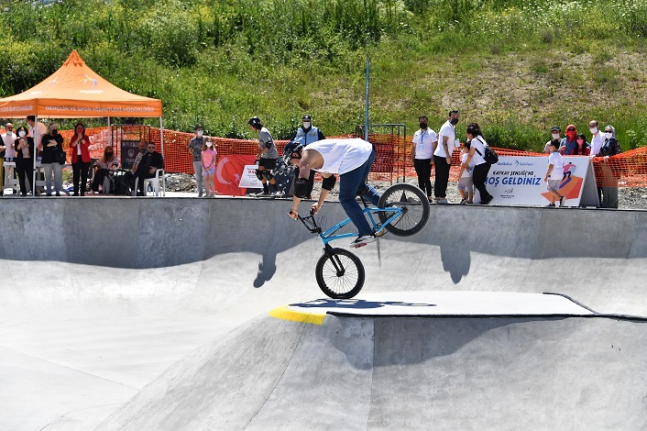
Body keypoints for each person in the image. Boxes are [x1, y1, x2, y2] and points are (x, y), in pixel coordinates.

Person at [283, 138, 382, 248]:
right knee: (359, 188)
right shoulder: (315, 157)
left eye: (292, 162)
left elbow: (301, 185)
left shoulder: (305, 157)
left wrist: (295, 209)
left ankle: (366, 232)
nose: (294, 166)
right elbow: (329, 181)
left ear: (296, 154)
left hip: (354, 155)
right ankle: (387, 207)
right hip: (366, 150)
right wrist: (319, 204)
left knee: (346, 198)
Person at [292, 114, 326, 198]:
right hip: (299, 158)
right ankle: (298, 194)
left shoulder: (316, 131)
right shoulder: (298, 131)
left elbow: (324, 143)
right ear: (302, 122)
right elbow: (291, 143)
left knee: (310, 177)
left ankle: (307, 194)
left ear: (311, 122)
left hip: (312, 158)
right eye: (304, 121)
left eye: (308, 121)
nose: (306, 123)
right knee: (298, 176)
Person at [248, 116, 280, 196]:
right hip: (265, 155)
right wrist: (261, 154)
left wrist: (260, 153)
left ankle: (277, 191)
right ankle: (266, 191)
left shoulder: (263, 132)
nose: (250, 127)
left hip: (271, 155)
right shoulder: (260, 132)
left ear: (254, 125)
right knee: (259, 173)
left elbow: (268, 145)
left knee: (266, 174)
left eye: (250, 125)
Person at [433, 110, 460, 204]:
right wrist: (448, 156)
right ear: (449, 117)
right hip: (442, 155)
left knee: (440, 176)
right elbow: (444, 143)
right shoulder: (447, 127)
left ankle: (437, 196)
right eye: (454, 116)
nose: (455, 118)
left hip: (440, 154)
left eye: (457, 116)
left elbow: (438, 136)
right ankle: (442, 197)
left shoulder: (451, 126)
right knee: (443, 176)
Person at [464, 123, 494, 205]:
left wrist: (465, 164)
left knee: (476, 181)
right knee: (480, 182)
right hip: (487, 163)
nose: (467, 136)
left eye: (467, 134)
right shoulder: (481, 138)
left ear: (470, 134)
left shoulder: (474, 140)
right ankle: (484, 199)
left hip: (480, 164)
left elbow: (471, 154)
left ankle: (487, 196)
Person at [595, 125, 622, 208]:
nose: (607, 133)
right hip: (603, 168)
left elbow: (619, 154)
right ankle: (606, 204)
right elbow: (600, 153)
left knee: (612, 188)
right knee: (605, 187)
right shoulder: (604, 142)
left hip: (612, 168)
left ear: (613, 132)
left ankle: (612, 205)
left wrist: (610, 157)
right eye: (606, 131)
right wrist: (594, 156)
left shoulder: (615, 142)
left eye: (609, 131)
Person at [411, 115, 437, 202]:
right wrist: (412, 158)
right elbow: (414, 146)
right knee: (420, 178)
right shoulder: (416, 133)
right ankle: (422, 196)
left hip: (427, 159)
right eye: (421, 121)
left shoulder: (431, 133)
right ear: (419, 122)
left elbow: (434, 145)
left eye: (424, 121)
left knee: (426, 178)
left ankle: (429, 196)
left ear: (427, 122)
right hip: (418, 159)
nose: (423, 123)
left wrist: (433, 158)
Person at [39, 122, 64, 196]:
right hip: (47, 159)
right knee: (48, 176)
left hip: (57, 159)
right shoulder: (45, 137)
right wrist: (55, 143)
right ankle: (49, 191)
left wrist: (52, 143)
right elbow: (46, 144)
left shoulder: (59, 136)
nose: (55, 129)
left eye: (56, 128)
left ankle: (57, 191)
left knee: (58, 176)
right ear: (49, 129)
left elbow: (59, 141)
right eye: (53, 128)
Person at [69, 122, 92, 196]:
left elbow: (86, 144)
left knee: (84, 176)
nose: (79, 129)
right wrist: (77, 138)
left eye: (81, 128)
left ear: (83, 129)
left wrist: (81, 138)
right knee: (76, 176)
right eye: (78, 128)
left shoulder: (86, 137)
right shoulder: (73, 137)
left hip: (85, 159)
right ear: (75, 129)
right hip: (76, 159)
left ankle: (82, 192)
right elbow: (72, 145)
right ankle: (76, 192)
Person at [544, 139, 565, 207]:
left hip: (553, 174)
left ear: (553, 146)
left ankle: (561, 197)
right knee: (554, 189)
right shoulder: (559, 155)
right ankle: (552, 203)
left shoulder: (552, 155)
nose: (549, 147)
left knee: (550, 189)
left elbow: (551, 167)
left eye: (550, 145)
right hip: (559, 175)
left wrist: (546, 176)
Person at [14, 126, 34, 197]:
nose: (21, 132)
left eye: (23, 130)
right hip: (20, 161)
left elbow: (32, 146)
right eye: (20, 130)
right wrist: (20, 143)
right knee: (21, 176)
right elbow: (17, 149)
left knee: (30, 176)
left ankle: (33, 191)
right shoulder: (16, 140)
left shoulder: (30, 139)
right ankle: (23, 192)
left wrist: (26, 144)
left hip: (29, 160)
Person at [188, 125, 206, 197]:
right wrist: (195, 154)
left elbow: (209, 149)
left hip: (205, 161)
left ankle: (207, 191)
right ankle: (200, 192)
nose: (200, 131)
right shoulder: (193, 140)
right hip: (196, 160)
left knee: (205, 176)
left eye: (201, 130)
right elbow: (190, 149)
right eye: (199, 130)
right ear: (195, 131)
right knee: (198, 177)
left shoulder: (205, 139)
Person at [2, 123, 17, 196]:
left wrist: (15, 146)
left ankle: (14, 188)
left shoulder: (15, 136)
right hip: (4, 156)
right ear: (5, 128)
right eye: (9, 127)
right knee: (3, 173)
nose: (10, 128)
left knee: (14, 173)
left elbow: (17, 145)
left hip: (13, 156)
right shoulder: (2, 136)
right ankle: (2, 188)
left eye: (11, 127)